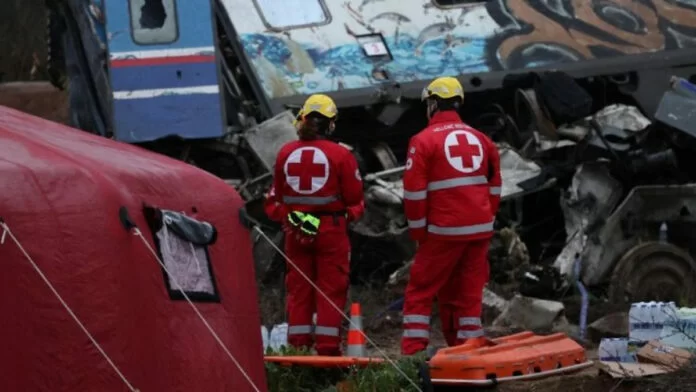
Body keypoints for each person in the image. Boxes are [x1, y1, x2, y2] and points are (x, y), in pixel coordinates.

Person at [400, 77, 502, 356]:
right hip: (479, 229)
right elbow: (495, 186)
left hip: (443, 230)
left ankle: (413, 353)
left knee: (421, 290)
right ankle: (469, 351)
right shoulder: (482, 140)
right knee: (468, 293)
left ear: (432, 104)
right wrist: (485, 218)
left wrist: (419, 233)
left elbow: (414, 194)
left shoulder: (422, 141)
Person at [263, 94, 365, 356]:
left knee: (298, 291)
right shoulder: (341, 155)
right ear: (331, 124)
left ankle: (298, 351)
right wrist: (346, 218)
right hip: (330, 230)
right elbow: (354, 200)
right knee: (331, 290)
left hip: (296, 231)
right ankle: (328, 351)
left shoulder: (285, 153)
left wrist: (298, 220)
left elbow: (277, 199)